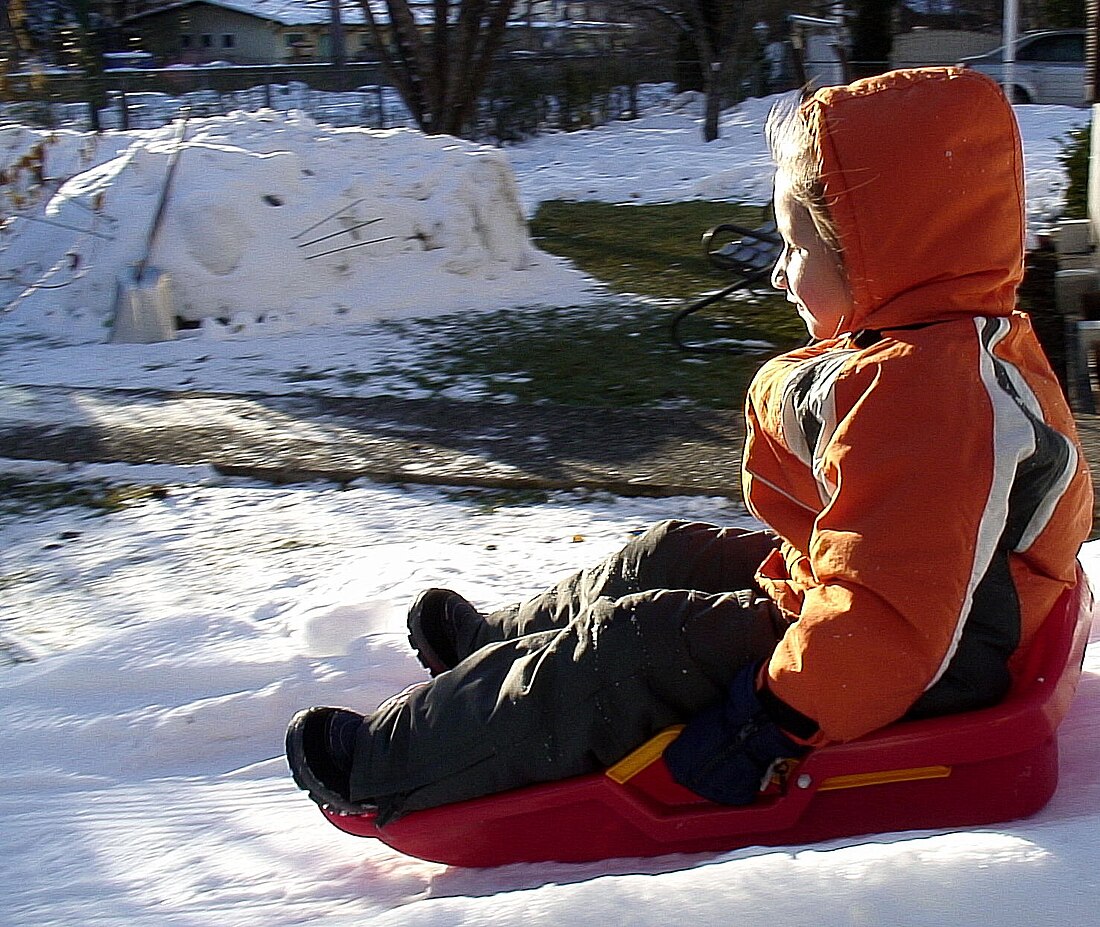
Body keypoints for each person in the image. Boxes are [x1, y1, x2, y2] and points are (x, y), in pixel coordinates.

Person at [286, 67, 1093, 823]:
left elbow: (895, 612)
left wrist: (777, 718)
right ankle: (491, 650)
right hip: (912, 610)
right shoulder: (934, 342)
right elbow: (889, 559)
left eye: (796, 248)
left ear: (878, 254)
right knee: (663, 553)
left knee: (638, 648)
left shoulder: (931, 397)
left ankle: (389, 768)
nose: (780, 274)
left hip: (930, 662)